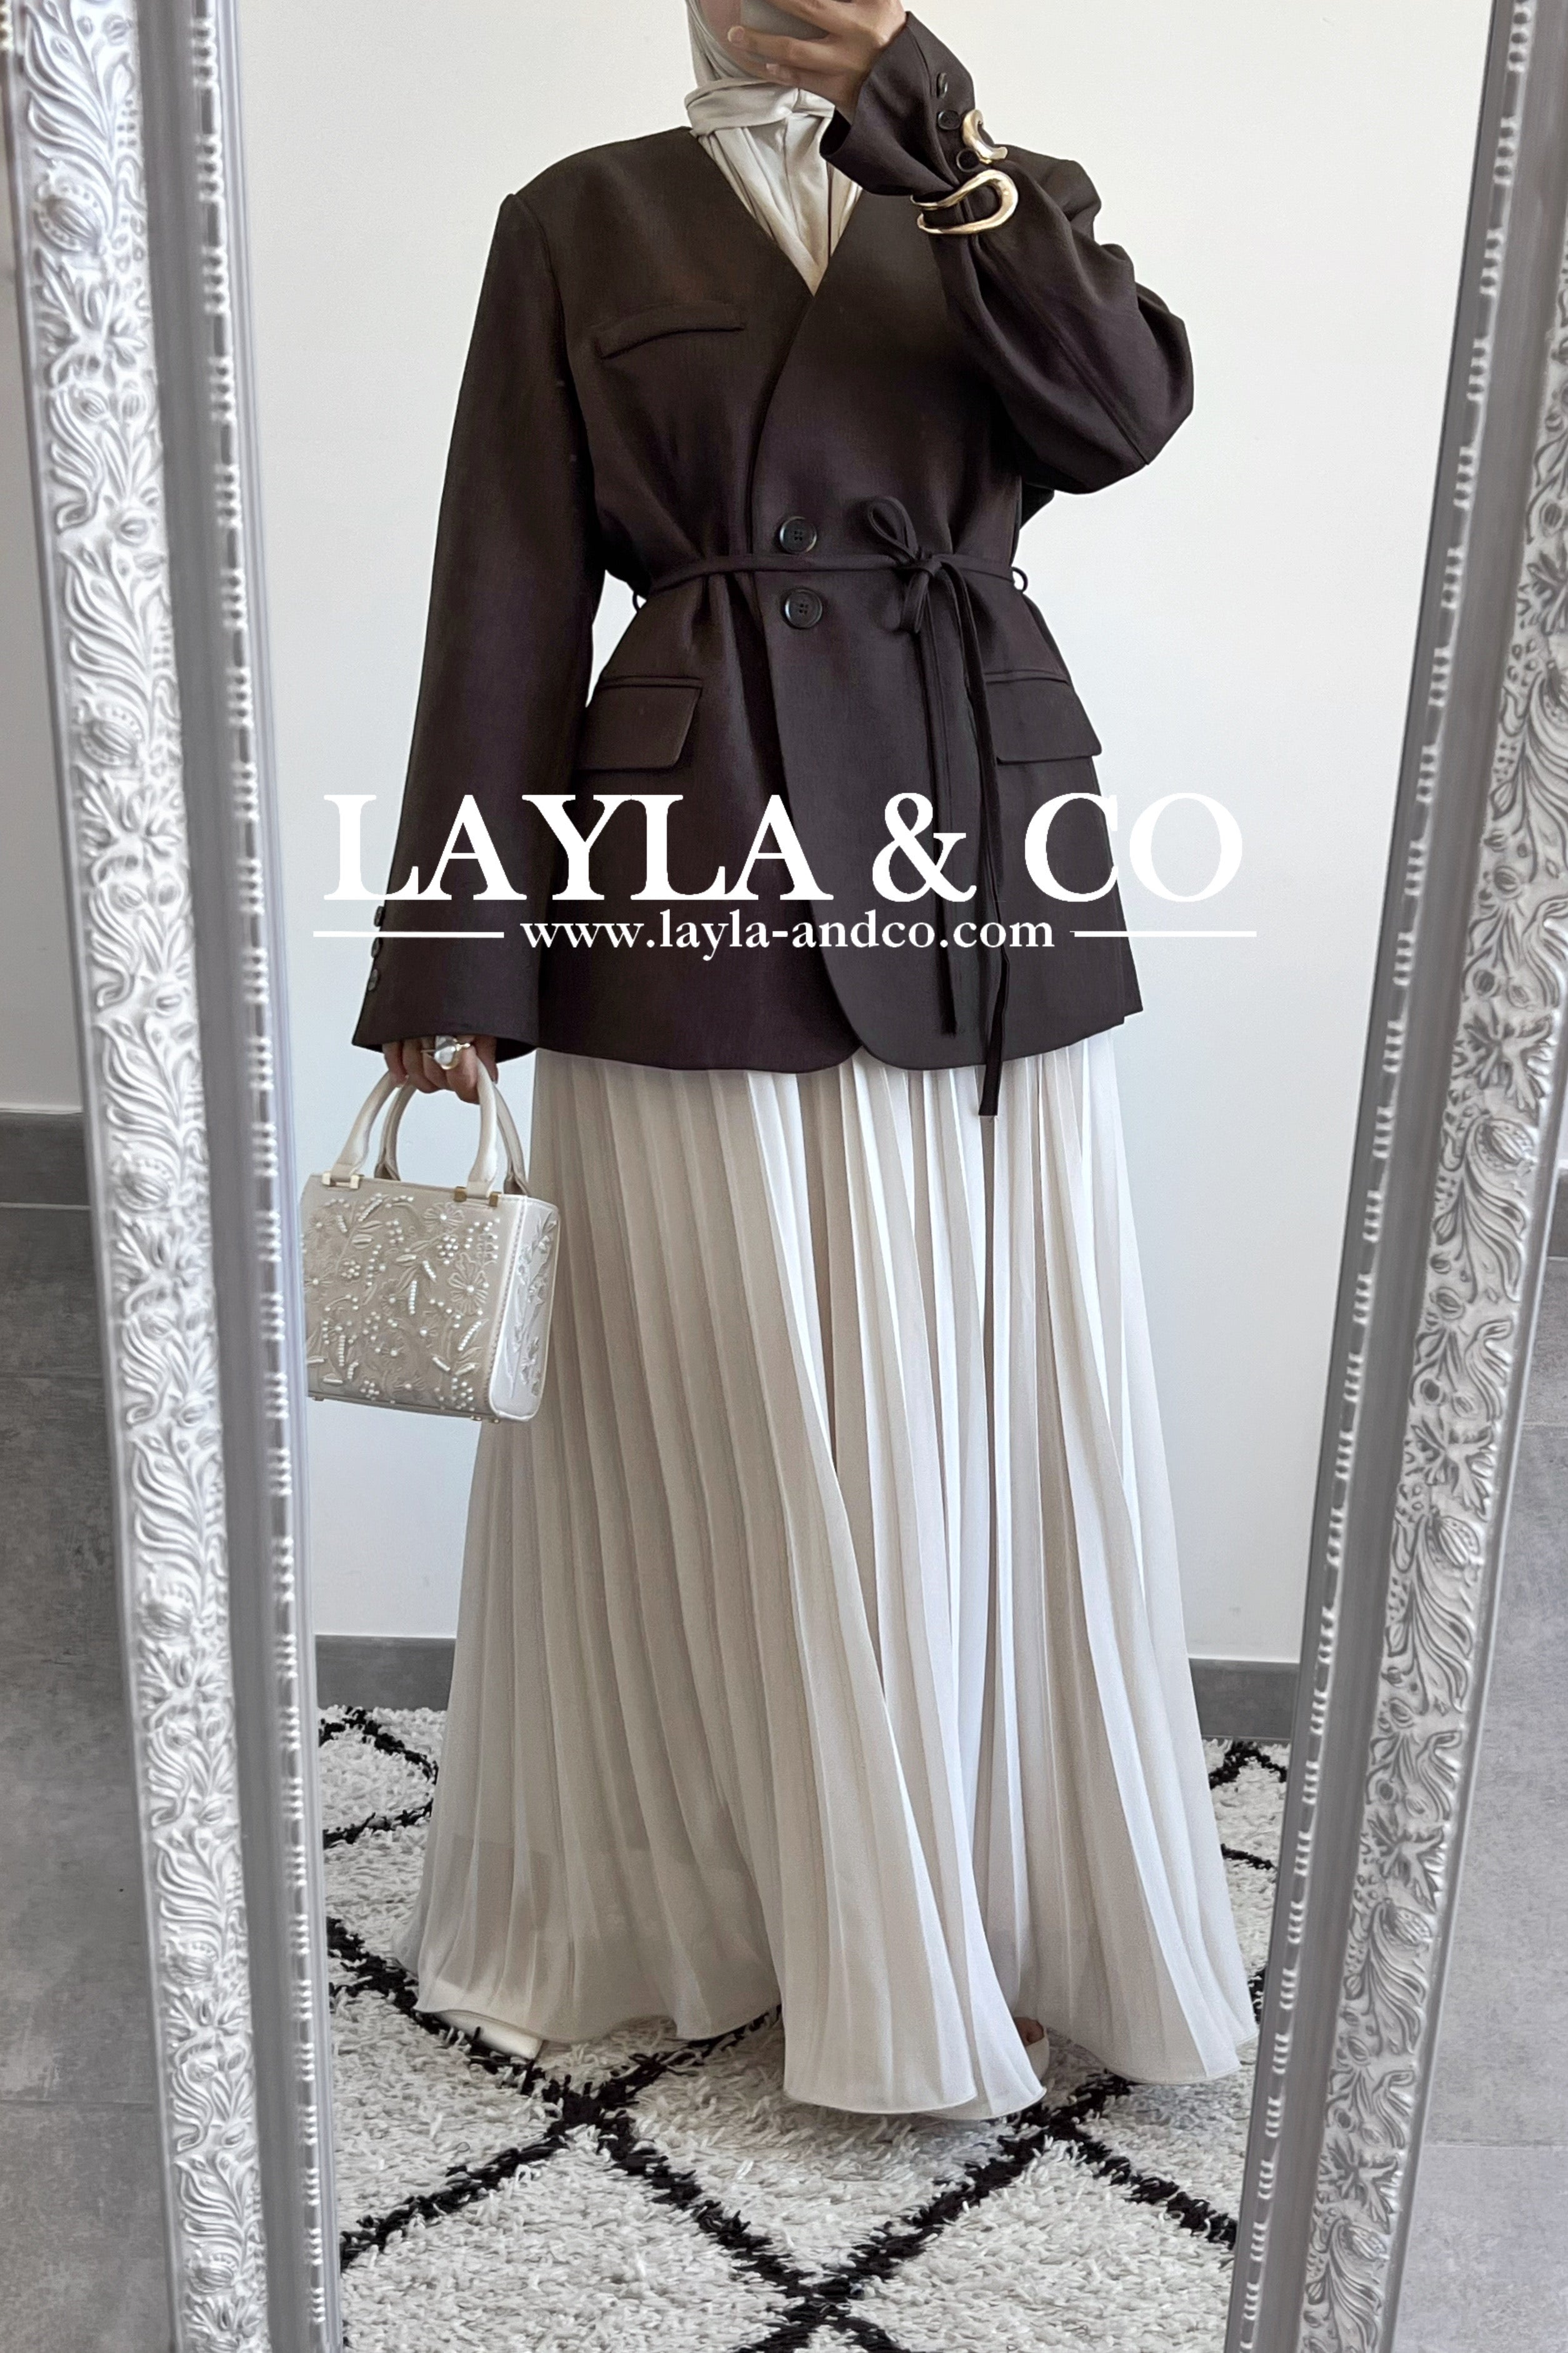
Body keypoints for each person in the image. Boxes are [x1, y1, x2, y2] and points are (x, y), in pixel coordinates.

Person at [360, 0, 1254, 2120]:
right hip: (694, 860)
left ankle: (995, 1896)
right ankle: (730, 1896)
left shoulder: (1000, 190)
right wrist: (456, 957)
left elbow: (1121, 414)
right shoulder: (577, 221)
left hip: (974, 854)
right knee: (729, 1392)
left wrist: (923, 116)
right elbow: (504, 590)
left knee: (983, 1386)